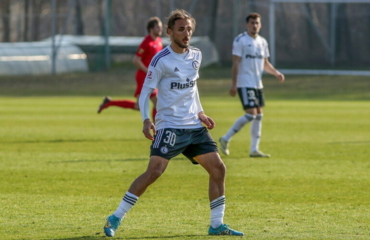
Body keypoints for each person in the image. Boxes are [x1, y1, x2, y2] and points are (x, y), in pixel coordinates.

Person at [103, 9, 244, 237]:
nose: (186, 33)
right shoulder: (161, 60)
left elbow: (192, 88)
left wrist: (200, 112)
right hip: (169, 125)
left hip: (194, 127)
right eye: (181, 29)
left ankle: (216, 224)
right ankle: (115, 218)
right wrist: (146, 119)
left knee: (218, 169)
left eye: (189, 29)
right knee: (154, 172)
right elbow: (145, 93)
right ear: (170, 32)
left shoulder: (196, 55)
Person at [219, 12, 285, 158]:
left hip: (257, 84)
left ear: (260, 25)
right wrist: (234, 84)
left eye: (257, 23)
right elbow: (235, 63)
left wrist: (276, 73)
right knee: (251, 115)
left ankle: (254, 149)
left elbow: (265, 64)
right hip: (244, 82)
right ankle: (225, 138)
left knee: (259, 115)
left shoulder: (262, 42)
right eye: (252, 23)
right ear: (247, 24)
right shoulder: (240, 40)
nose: (254, 25)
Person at [97, 17, 163, 122]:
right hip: (143, 77)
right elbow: (136, 60)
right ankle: (157, 133)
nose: (160, 29)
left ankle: (109, 103)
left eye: (161, 27)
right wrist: (148, 71)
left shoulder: (159, 41)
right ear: (151, 29)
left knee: (140, 106)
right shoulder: (147, 42)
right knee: (158, 103)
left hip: (151, 77)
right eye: (158, 27)